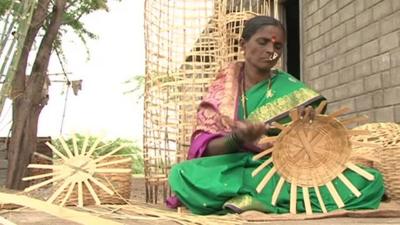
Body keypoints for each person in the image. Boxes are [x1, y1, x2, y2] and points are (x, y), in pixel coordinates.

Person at [167, 16, 384, 215]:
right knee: (182, 174)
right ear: (243, 45)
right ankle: (265, 199)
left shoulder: (292, 89)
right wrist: (238, 138)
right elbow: (205, 149)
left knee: (369, 180)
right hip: (232, 168)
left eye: (277, 46)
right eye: (263, 42)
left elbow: (311, 143)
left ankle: (255, 199)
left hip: (278, 171)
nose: (271, 51)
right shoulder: (223, 86)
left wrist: (309, 124)